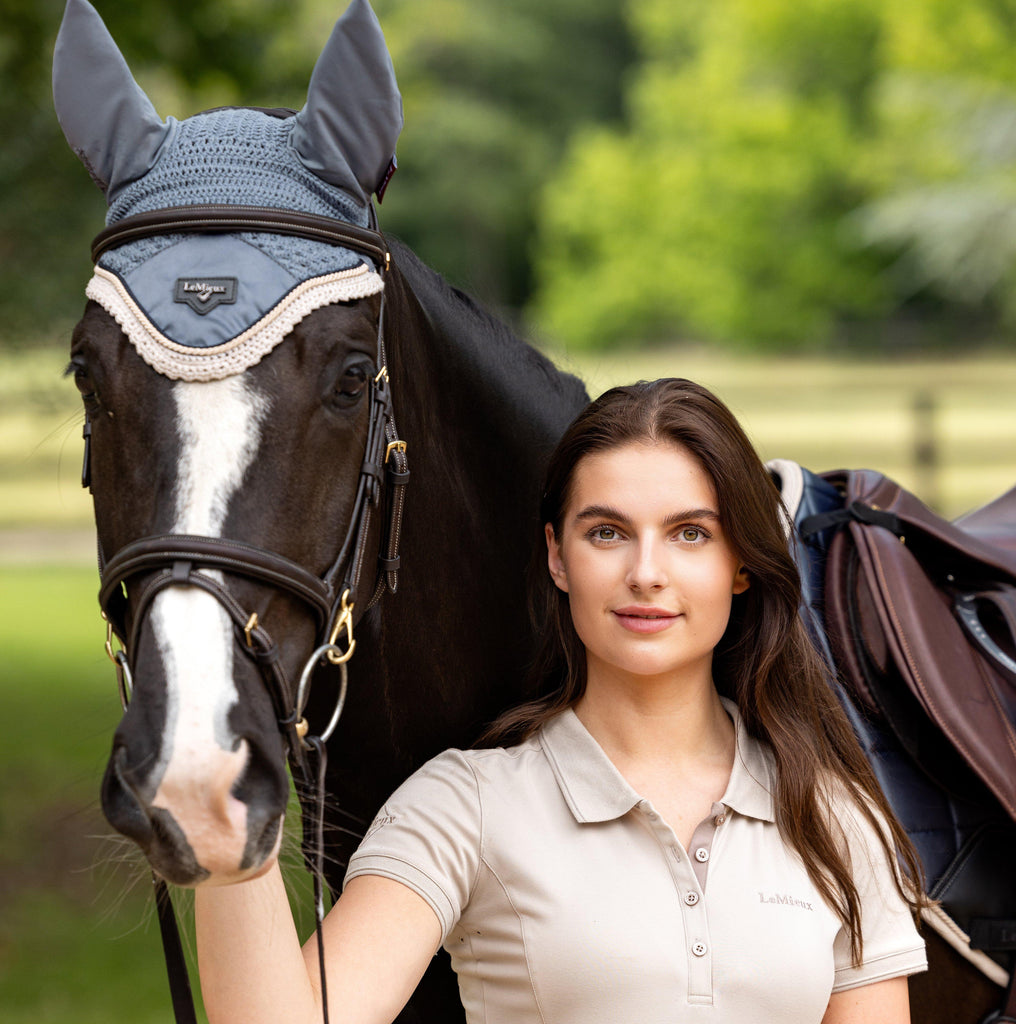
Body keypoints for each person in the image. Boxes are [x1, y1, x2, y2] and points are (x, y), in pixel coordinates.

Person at [196, 378, 928, 1023]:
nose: (646, 572)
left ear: (739, 563)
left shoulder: (834, 817)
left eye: (690, 534)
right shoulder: (465, 806)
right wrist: (234, 854)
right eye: (607, 532)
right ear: (557, 555)